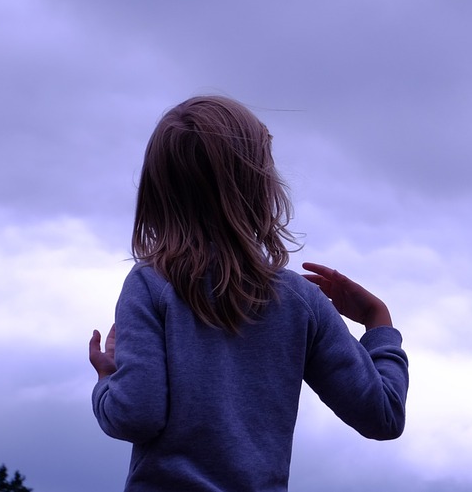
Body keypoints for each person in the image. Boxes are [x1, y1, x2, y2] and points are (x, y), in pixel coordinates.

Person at [88, 95, 408, 491]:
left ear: (157, 190)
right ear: (260, 185)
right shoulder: (300, 301)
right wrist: (379, 322)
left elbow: (135, 415)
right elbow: (383, 416)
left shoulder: (150, 284)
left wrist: (107, 381)